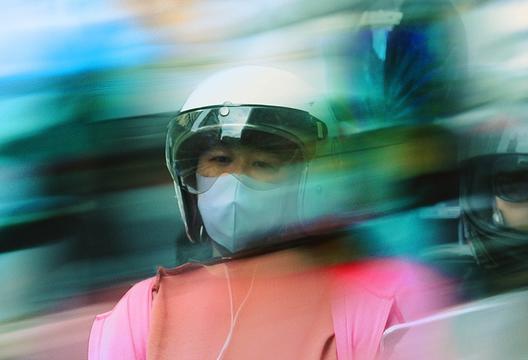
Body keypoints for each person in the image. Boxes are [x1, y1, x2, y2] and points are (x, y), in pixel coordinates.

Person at [88, 65, 455, 360]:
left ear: (313, 184)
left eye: (263, 164)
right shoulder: (142, 312)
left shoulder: (382, 298)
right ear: (189, 178)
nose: (234, 183)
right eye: (219, 160)